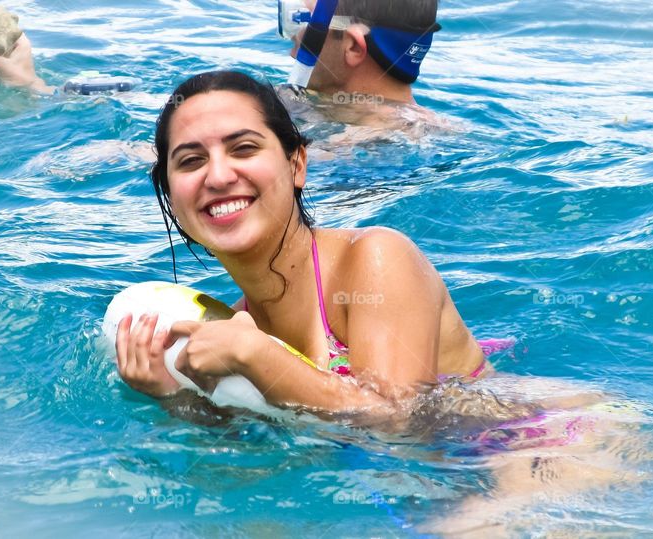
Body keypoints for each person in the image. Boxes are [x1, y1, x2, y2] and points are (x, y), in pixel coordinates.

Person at [114, 70, 495, 413]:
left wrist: (260, 357)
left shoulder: (375, 260)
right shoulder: (239, 328)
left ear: (297, 165)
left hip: (522, 449)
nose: (217, 176)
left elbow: (398, 423)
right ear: (169, 195)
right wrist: (175, 398)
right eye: (191, 160)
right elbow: (252, 471)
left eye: (243, 148)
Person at [0, 0, 441, 111]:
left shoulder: (349, 148)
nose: (292, 43)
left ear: (355, 47)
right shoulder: (313, 109)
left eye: (299, 25)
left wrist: (33, 93)